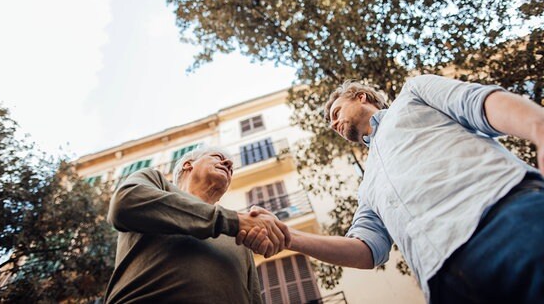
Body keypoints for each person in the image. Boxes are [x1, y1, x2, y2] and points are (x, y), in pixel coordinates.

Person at [239, 75, 544, 303]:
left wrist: (538, 129)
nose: (333, 124)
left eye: (335, 113)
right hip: (445, 284)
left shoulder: (413, 93)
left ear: (360, 96)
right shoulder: (368, 186)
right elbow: (367, 251)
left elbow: (480, 103)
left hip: (504, 219)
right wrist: (288, 236)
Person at [104, 146, 290, 303]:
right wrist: (235, 220)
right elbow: (124, 202)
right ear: (188, 165)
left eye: (231, 168)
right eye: (218, 158)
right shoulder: (156, 182)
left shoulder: (239, 235)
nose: (228, 164)